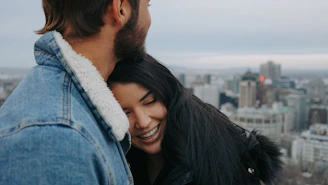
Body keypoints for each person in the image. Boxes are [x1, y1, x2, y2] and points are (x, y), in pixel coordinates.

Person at [0, 0, 151, 184]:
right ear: (120, 8)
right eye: (147, 5)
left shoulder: (68, 117)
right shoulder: (58, 139)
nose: (149, 19)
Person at [108, 55, 283, 185]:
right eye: (125, 112)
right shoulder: (123, 160)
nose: (143, 121)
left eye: (150, 102)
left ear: (169, 96)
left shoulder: (216, 160)